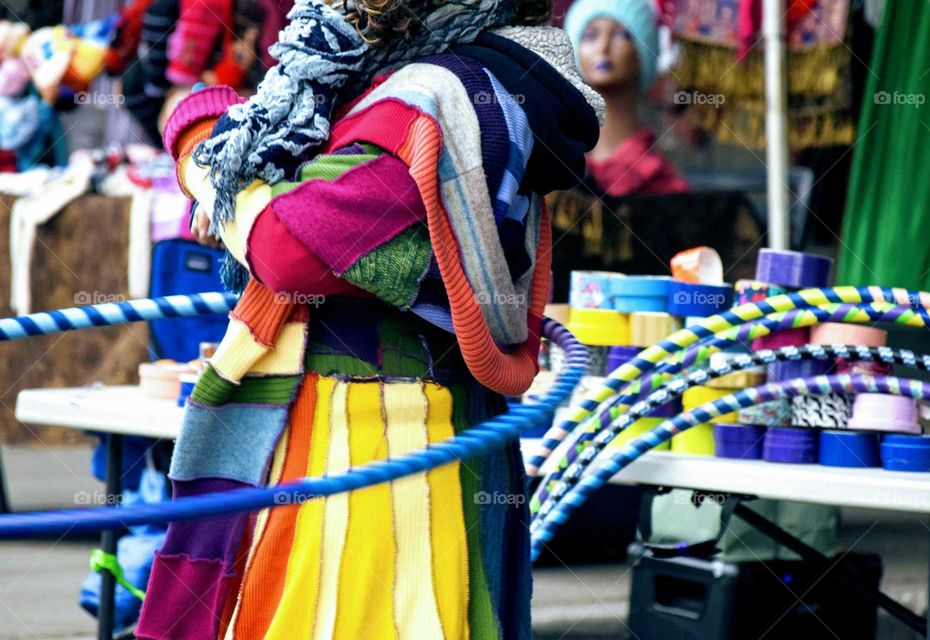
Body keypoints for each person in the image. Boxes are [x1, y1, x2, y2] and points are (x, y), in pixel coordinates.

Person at [136, 0, 604, 638]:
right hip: (369, 416)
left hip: (380, 431)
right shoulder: (401, 79)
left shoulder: (435, 98)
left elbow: (288, 249)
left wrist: (202, 151)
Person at [565, 0, 688, 197]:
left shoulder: (659, 182)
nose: (603, 48)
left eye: (622, 34)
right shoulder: (562, 172)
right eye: (590, 36)